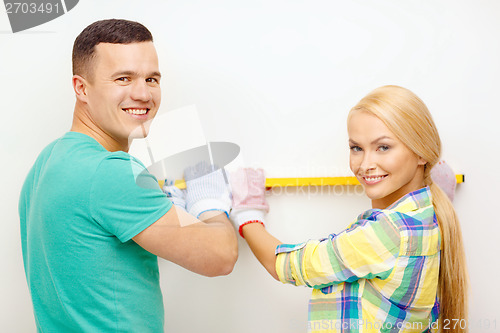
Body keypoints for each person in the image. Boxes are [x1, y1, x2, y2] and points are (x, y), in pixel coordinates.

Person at [18, 19, 237, 332]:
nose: (143, 94)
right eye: (123, 78)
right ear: (81, 87)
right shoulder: (112, 173)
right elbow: (221, 257)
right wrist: (210, 205)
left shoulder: (47, 163)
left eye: (152, 79)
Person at [227, 85, 469, 332]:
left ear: (422, 154)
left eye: (383, 147)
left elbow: (286, 266)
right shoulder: (429, 213)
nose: (365, 165)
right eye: (356, 148)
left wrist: (247, 213)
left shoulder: (387, 234)